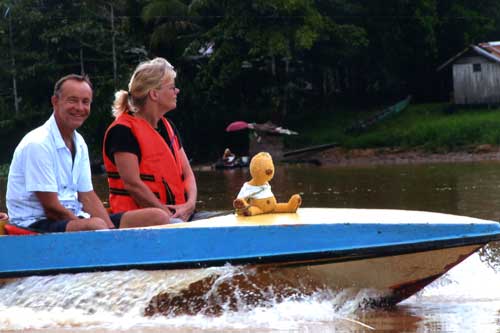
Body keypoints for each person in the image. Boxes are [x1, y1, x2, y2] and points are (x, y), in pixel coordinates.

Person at [6, 74, 170, 232]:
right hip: (35, 223)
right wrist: (96, 231)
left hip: (74, 219)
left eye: (85, 102)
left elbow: (87, 197)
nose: (79, 108)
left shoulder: (80, 143)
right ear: (55, 102)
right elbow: (51, 208)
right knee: (96, 226)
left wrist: (111, 230)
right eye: (72, 100)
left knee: (157, 217)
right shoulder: (38, 143)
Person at [103, 58, 197, 222]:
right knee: (163, 218)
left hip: (178, 213)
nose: (177, 91)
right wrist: (168, 216)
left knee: (226, 216)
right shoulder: (123, 131)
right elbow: (133, 184)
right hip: (140, 217)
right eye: (172, 87)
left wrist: (189, 205)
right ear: (154, 94)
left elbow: (188, 174)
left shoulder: (168, 127)